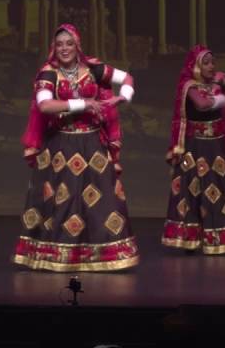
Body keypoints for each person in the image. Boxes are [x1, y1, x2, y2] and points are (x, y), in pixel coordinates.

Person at [13, 24, 139, 272]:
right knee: (63, 200)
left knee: (103, 201)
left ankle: (103, 255)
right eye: (59, 44)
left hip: (93, 144)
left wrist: (122, 97)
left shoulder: (93, 68)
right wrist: (83, 104)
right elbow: (45, 106)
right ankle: (61, 255)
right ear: (54, 47)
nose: (64, 49)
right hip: (62, 146)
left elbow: (127, 78)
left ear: (77, 45)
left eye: (69, 43)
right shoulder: (48, 73)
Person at [162, 46, 225, 255]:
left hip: (215, 145)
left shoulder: (216, 79)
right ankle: (190, 239)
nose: (211, 67)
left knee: (220, 188)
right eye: (206, 63)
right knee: (191, 190)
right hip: (194, 147)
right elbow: (203, 104)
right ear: (195, 66)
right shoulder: (189, 86)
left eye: (213, 62)